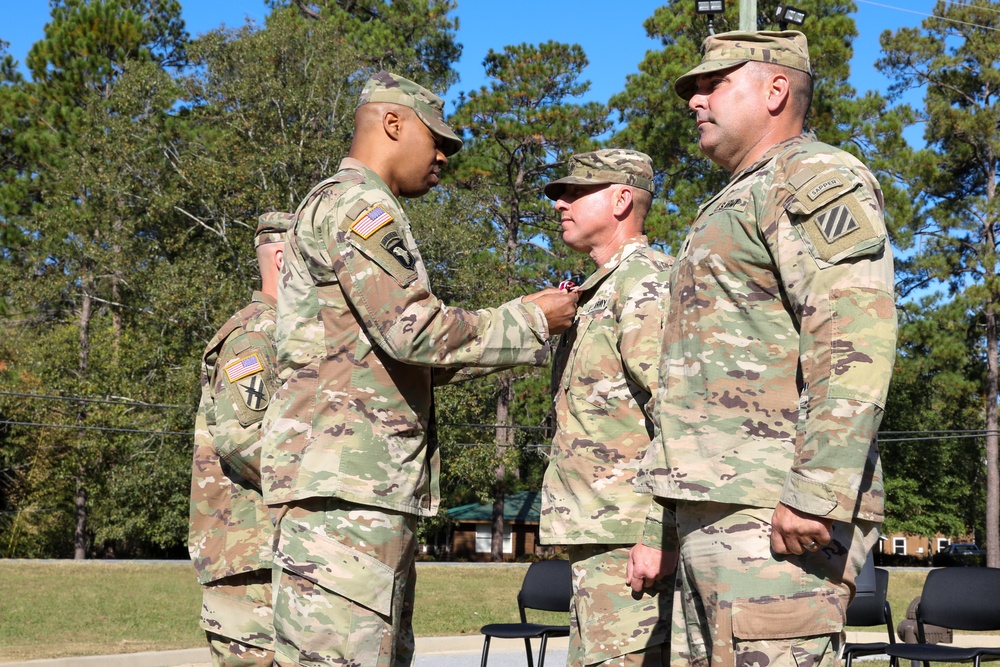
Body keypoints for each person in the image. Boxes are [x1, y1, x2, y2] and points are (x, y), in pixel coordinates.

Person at [259, 71, 579, 667]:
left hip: (351, 491)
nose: (443, 158)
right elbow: (416, 332)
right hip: (348, 498)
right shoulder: (360, 206)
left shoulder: (344, 203)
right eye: (438, 141)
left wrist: (522, 330)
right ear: (392, 123)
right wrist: (532, 320)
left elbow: (402, 362)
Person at [626, 31, 898, 666]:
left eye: (714, 83)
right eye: (694, 87)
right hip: (717, 504)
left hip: (776, 510)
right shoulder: (736, 196)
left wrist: (817, 491)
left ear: (777, 90)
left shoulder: (814, 177)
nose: (695, 99)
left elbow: (853, 338)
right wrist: (663, 520)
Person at [540, 149, 674, 667]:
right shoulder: (602, 290)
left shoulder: (645, 283)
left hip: (631, 542)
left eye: (575, 192)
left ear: (622, 199)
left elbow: (680, 417)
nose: (560, 204)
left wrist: (657, 532)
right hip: (603, 538)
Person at [189, 211, 294, 667]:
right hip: (252, 557)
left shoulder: (290, 332)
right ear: (280, 257)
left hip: (275, 551)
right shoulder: (255, 335)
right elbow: (245, 440)